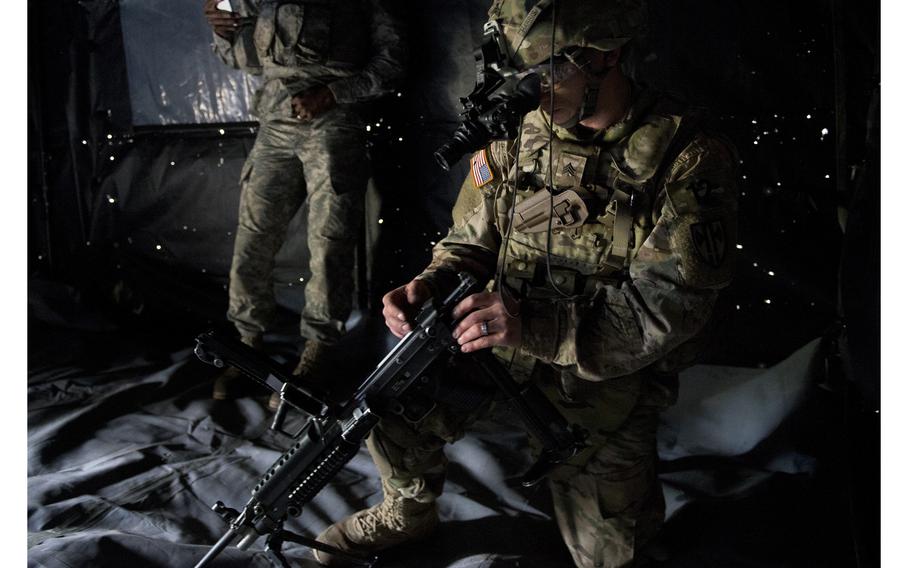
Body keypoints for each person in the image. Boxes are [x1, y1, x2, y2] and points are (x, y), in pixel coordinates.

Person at [314, 0, 738, 566]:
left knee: (611, 555)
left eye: (548, 72)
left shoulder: (685, 158)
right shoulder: (518, 133)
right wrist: (432, 283)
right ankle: (410, 511)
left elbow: (666, 313)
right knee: (388, 405)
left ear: (606, 55)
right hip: (491, 351)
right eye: (515, 75)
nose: (530, 92)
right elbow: (469, 241)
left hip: (596, 377)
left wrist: (533, 326)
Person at [202, 0, 406, 405]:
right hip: (276, 121)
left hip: (334, 123)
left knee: (329, 240)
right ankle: (246, 346)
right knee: (253, 235)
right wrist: (223, 32)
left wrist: (333, 93)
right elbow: (248, 61)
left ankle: (317, 353)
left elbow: (393, 59)